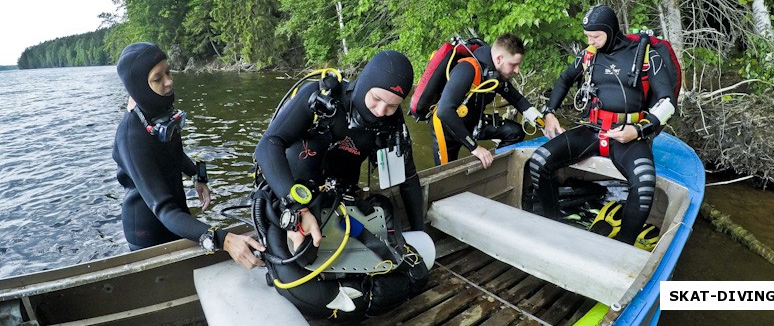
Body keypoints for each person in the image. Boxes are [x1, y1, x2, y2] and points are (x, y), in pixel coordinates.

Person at [252, 50, 427, 320]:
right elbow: (268, 145)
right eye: (377, 98)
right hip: (290, 196)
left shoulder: (391, 123)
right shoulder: (320, 99)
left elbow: (408, 179)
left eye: (392, 105)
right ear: (365, 84)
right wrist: (295, 206)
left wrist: (419, 234)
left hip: (341, 202)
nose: (381, 111)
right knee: (300, 267)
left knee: (401, 268)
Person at [529, 4, 676, 245]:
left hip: (628, 135)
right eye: (587, 37)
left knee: (645, 184)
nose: (591, 41)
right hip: (592, 130)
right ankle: (552, 224)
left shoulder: (647, 55)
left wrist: (639, 130)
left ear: (611, 30)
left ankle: (624, 246)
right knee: (538, 161)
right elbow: (565, 79)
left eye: (596, 36)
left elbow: (667, 102)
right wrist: (550, 113)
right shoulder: (589, 55)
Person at [112, 42, 265, 269]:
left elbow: (173, 153)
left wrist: (198, 175)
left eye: (168, 72)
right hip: (149, 229)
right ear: (138, 86)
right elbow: (163, 208)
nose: (169, 81)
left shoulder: (159, 114)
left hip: (177, 216)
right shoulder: (131, 138)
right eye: (158, 78)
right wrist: (225, 239)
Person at [432, 33, 543, 169]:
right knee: (445, 175)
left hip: (473, 122)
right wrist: (475, 148)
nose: (517, 70)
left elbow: (517, 99)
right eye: (513, 65)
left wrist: (543, 123)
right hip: (448, 128)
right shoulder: (467, 69)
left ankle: (496, 170)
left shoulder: (496, 75)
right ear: (499, 58)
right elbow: (444, 111)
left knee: (515, 132)